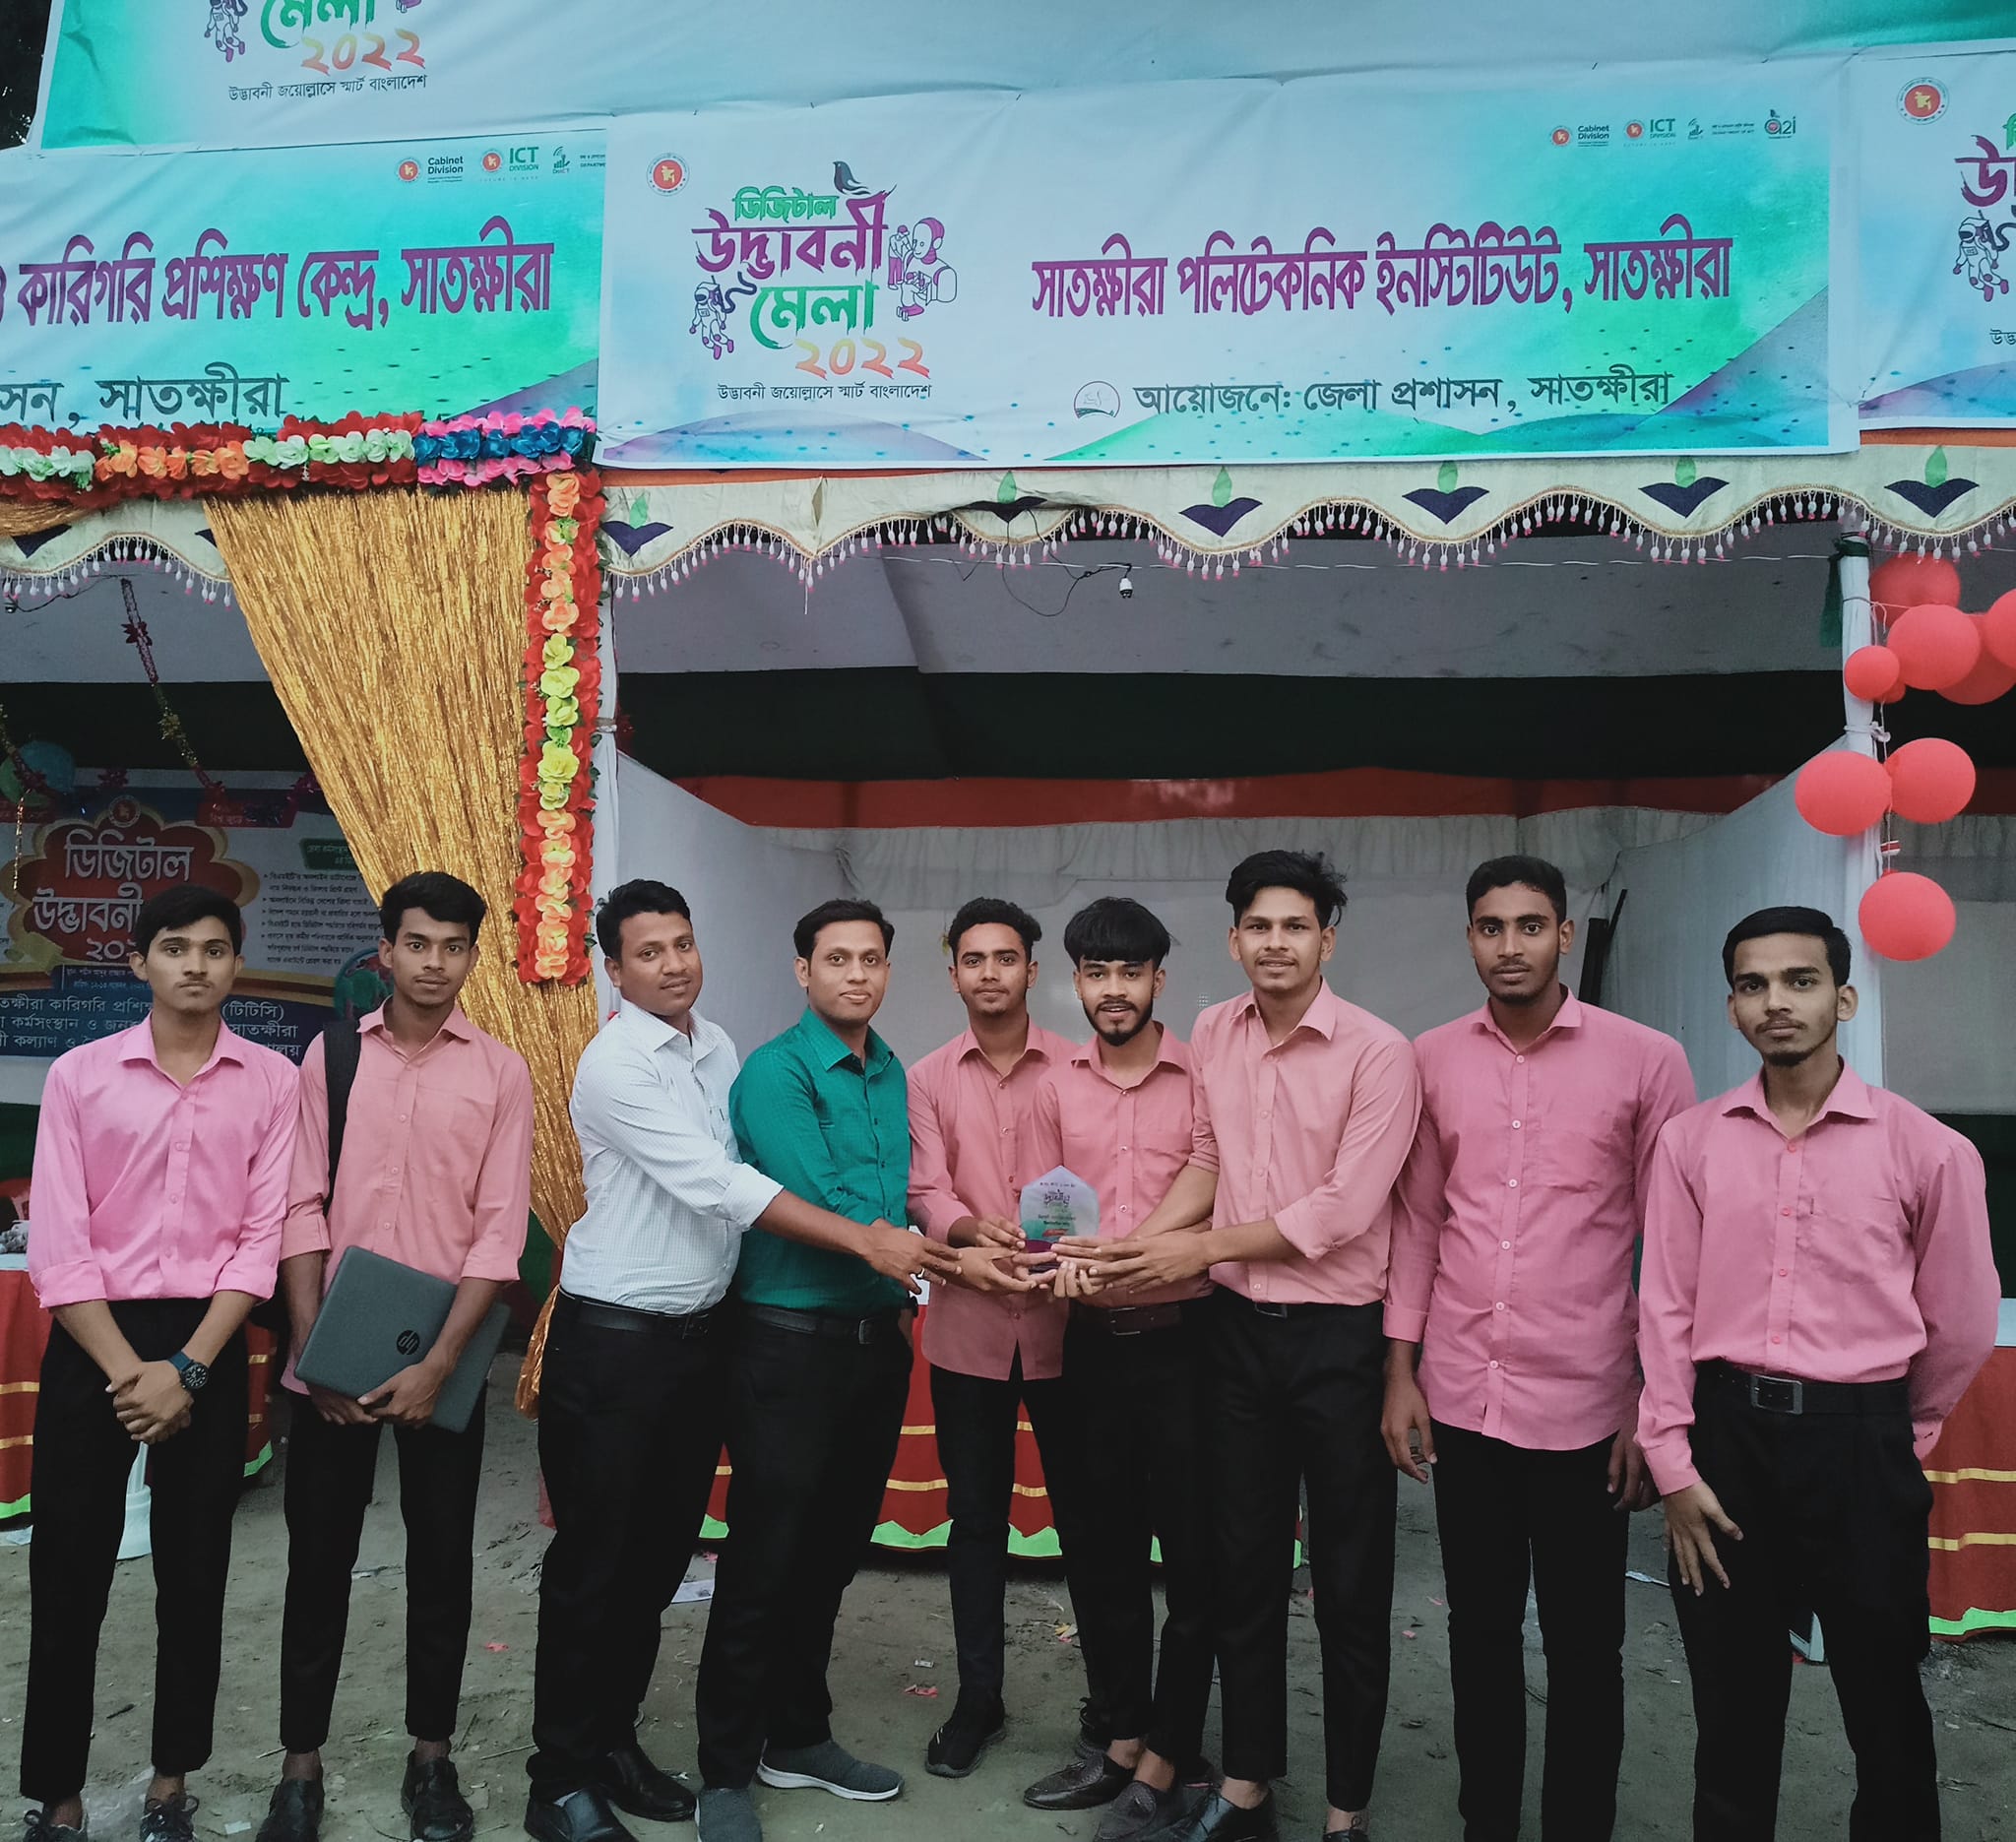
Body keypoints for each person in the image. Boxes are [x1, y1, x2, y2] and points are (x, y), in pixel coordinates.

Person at [526, 881, 955, 1842]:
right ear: (613, 968)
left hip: (699, 1340)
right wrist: (869, 1241)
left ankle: (611, 1745)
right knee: (594, 1566)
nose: (672, 963)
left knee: (653, 1563)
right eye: (648, 951)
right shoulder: (614, 1064)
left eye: (683, 943)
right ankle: (556, 1779)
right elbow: (722, 1184)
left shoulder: (714, 1047)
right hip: (616, 1338)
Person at [1068, 851, 1421, 1842]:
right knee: (1242, 1576)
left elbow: (1342, 1210)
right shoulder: (1216, 1030)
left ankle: (1346, 1809)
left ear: (1326, 940)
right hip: (1230, 1340)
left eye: (1295, 926)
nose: (1275, 943)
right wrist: (1135, 1248)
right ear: (1232, 939)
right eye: (1258, 926)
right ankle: (1247, 1787)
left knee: (1349, 1584)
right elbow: (1208, 1158)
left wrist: (1194, 1248)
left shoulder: (1378, 1052)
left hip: (1338, 1341)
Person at [1638, 906, 1996, 1842]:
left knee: (1885, 1706)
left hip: (1861, 1446)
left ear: (1842, 997)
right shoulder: (1690, 1143)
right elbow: (1665, 1307)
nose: (1777, 1002)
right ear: (1732, 1007)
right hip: (1725, 1446)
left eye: (1800, 980)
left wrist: (1896, 1431)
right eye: (1753, 984)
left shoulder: (1927, 1148)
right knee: (1731, 1708)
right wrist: (1672, 1461)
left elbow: (1960, 1321)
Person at [1381, 856, 1696, 1842]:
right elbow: (1417, 1221)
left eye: (1528, 925)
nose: (1508, 945)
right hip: (1464, 1399)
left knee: (1584, 1644)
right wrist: (1400, 1369)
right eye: (1490, 926)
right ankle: (1487, 1821)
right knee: (1478, 1634)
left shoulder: (1646, 1059)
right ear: (1468, 937)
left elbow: (1674, 1246)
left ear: (1563, 932)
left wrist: (1652, 1404)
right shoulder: (1431, 1057)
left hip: (1588, 1409)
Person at [257, 873, 535, 1842]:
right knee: (317, 1561)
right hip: (331, 1354)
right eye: (417, 942)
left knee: (442, 1560)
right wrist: (313, 1352)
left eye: (453, 945)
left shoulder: (500, 1072)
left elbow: (498, 1236)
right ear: (385, 950)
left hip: (440, 1357)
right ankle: (300, 1767)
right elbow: (299, 1205)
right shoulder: (331, 1055)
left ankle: (431, 1759)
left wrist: (440, 1364)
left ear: (472, 957)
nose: (433, 962)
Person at [21, 885, 298, 1842]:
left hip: (207, 1337)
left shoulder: (273, 1081)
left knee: (194, 1571)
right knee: (67, 1573)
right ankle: (57, 1795)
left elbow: (259, 1241)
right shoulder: (80, 1076)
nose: (195, 965)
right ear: (139, 961)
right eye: (175, 947)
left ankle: (170, 1784)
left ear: (236, 964)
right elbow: (60, 1247)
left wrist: (185, 1368)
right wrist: (131, 1371)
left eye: (214, 949)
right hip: (92, 1337)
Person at [693, 898, 946, 1842]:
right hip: (787, 1344)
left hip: (874, 1344)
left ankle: (797, 1735)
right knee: (765, 1558)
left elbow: (902, 1194)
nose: (856, 974)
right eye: (836, 959)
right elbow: (818, 1196)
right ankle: (725, 1768)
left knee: (832, 1555)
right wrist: (914, 1253)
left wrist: (929, 1267)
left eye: (871, 959)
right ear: (804, 970)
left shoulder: (891, 1071)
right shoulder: (776, 1071)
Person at [1018, 897, 1216, 1842]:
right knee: (1103, 1554)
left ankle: (1174, 1751)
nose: (1113, 990)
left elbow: (1218, 1179)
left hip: (1189, 1342)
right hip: (1092, 1345)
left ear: (1158, 980)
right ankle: (1121, 1738)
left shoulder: (1204, 1074)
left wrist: (1135, 1250)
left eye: (1130, 973)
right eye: (1097, 974)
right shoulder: (1056, 1087)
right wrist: (1056, 1262)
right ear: (1077, 983)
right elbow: (1047, 1212)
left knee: (1196, 1559)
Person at [906, 896, 1082, 1778]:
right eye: (973, 959)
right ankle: (979, 1699)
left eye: (1005, 957)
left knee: (1090, 1519)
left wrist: (1060, 1245)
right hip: (969, 1328)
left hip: (1068, 1327)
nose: (989, 973)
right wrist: (972, 1230)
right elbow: (923, 1188)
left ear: (1032, 970)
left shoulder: (1080, 1066)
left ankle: (1113, 1710)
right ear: (953, 975)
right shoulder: (927, 1076)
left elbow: (1097, 1176)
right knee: (975, 1522)